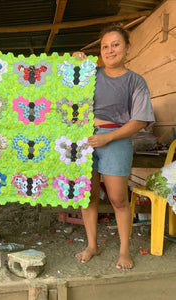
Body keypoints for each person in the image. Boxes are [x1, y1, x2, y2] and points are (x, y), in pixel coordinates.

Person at [73, 25, 155, 270]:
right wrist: (75, 60)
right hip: (85, 139)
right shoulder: (90, 74)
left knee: (118, 199)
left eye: (116, 45)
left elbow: (139, 121)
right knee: (87, 197)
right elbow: (63, 85)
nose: (110, 50)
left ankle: (123, 250)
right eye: (105, 46)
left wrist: (107, 138)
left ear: (128, 48)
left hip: (115, 139)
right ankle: (92, 245)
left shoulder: (135, 82)